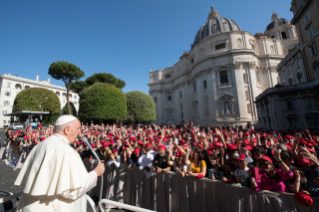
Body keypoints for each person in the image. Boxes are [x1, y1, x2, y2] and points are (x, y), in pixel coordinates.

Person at [14, 115, 105, 212]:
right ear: (67, 130)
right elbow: (72, 191)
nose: (80, 132)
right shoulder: (67, 151)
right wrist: (95, 173)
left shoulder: (41, 145)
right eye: (78, 128)